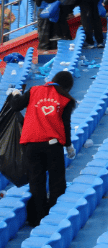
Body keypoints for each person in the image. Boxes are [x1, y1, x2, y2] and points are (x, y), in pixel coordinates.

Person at [9, 71, 76, 226]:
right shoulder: (66, 99)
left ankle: (38, 218)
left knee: (36, 182)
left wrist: (15, 94)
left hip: (30, 144)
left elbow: (16, 106)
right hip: (53, 145)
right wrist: (68, 145)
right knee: (57, 182)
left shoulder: (34, 90)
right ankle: (55, 218)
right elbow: (65, 125)